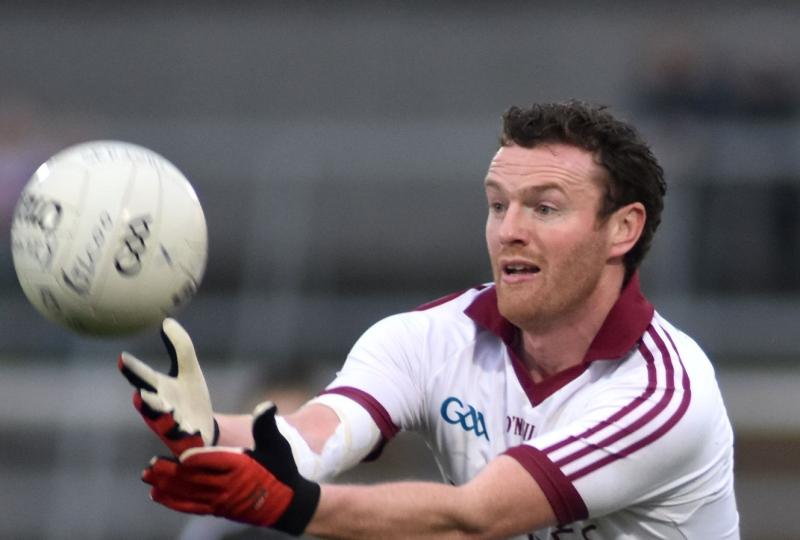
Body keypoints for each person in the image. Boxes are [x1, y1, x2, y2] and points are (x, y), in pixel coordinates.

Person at [120, 101, 740, 539]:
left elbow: (475, 519)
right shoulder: (429, 338)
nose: (509, 230)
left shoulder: (663, 395)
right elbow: (313, 439)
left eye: (545, 208)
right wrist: (207, 429)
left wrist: (291, 506)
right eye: (497, 204)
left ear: (623, 229)